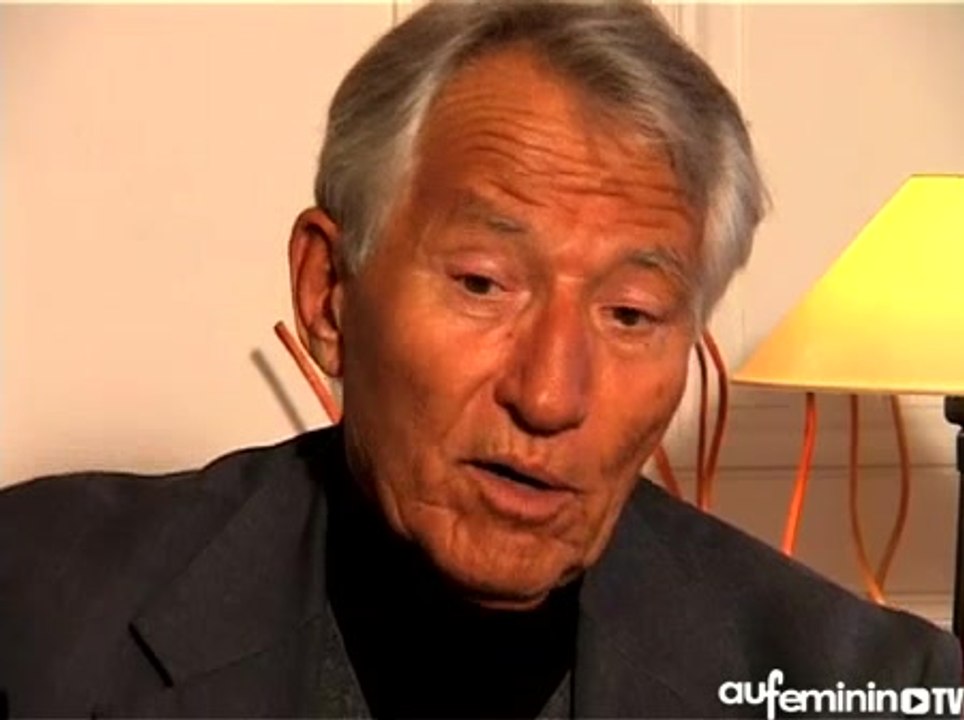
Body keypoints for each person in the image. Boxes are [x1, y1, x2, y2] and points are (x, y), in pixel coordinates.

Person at [1, 1, 959, 718]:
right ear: (328, 291)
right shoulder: (35, 606)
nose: (549, 394)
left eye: (630, 314)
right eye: (483, 283)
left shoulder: (868, 685)